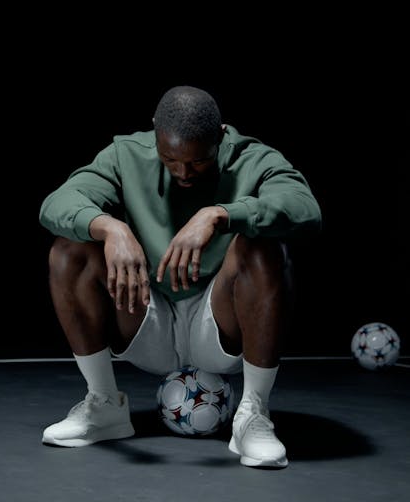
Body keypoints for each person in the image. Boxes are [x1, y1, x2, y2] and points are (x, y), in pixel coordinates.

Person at [39, 85, 322, 468]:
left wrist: (220, 214)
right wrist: (110, 228)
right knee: (68, 250)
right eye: (170, 159)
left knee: (263, 247)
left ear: (220, 138)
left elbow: (305, 210)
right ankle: (104, 405)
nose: (184, 172)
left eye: (199, 161)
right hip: (146, 317)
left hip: (219, 325)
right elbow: (56, 203)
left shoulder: (254, 158)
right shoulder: (126, 154)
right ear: (155, 131)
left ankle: (253, 414)